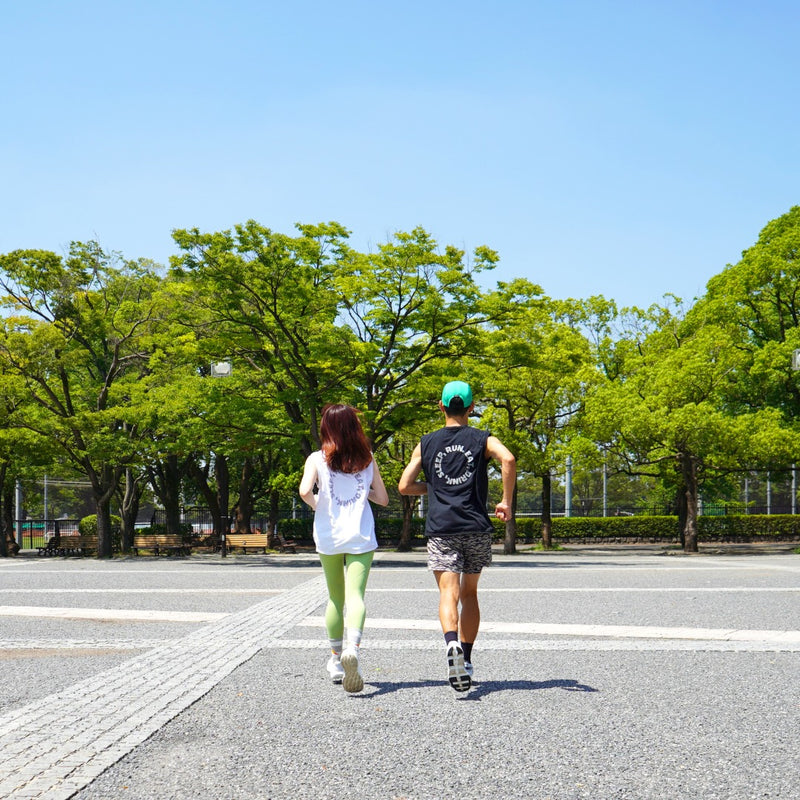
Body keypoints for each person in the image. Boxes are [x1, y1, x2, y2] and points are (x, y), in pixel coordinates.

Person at [398, 380, 516, 692]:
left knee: (447, 593)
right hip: (475, 525)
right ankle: (467, 656)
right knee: (469, 594)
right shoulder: (482, 439)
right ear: (471, 408)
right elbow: (509, 459)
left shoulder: (426, 443)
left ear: (441, 407)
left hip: (441, 528)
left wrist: (434, 487)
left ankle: (451, 644)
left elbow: (404, 486)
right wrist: (505, 500)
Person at [299, 403, 389, 693]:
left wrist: (319, 506)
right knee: (356, 596)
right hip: (360, 536)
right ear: (354, 427)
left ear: (327, 427)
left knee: (335, 599)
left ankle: (337, 660)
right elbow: (384, 499)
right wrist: (364, 495)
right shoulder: (368, 459)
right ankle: (354, 648)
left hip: (328, 537)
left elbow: (304, 491)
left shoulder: (316, 458)